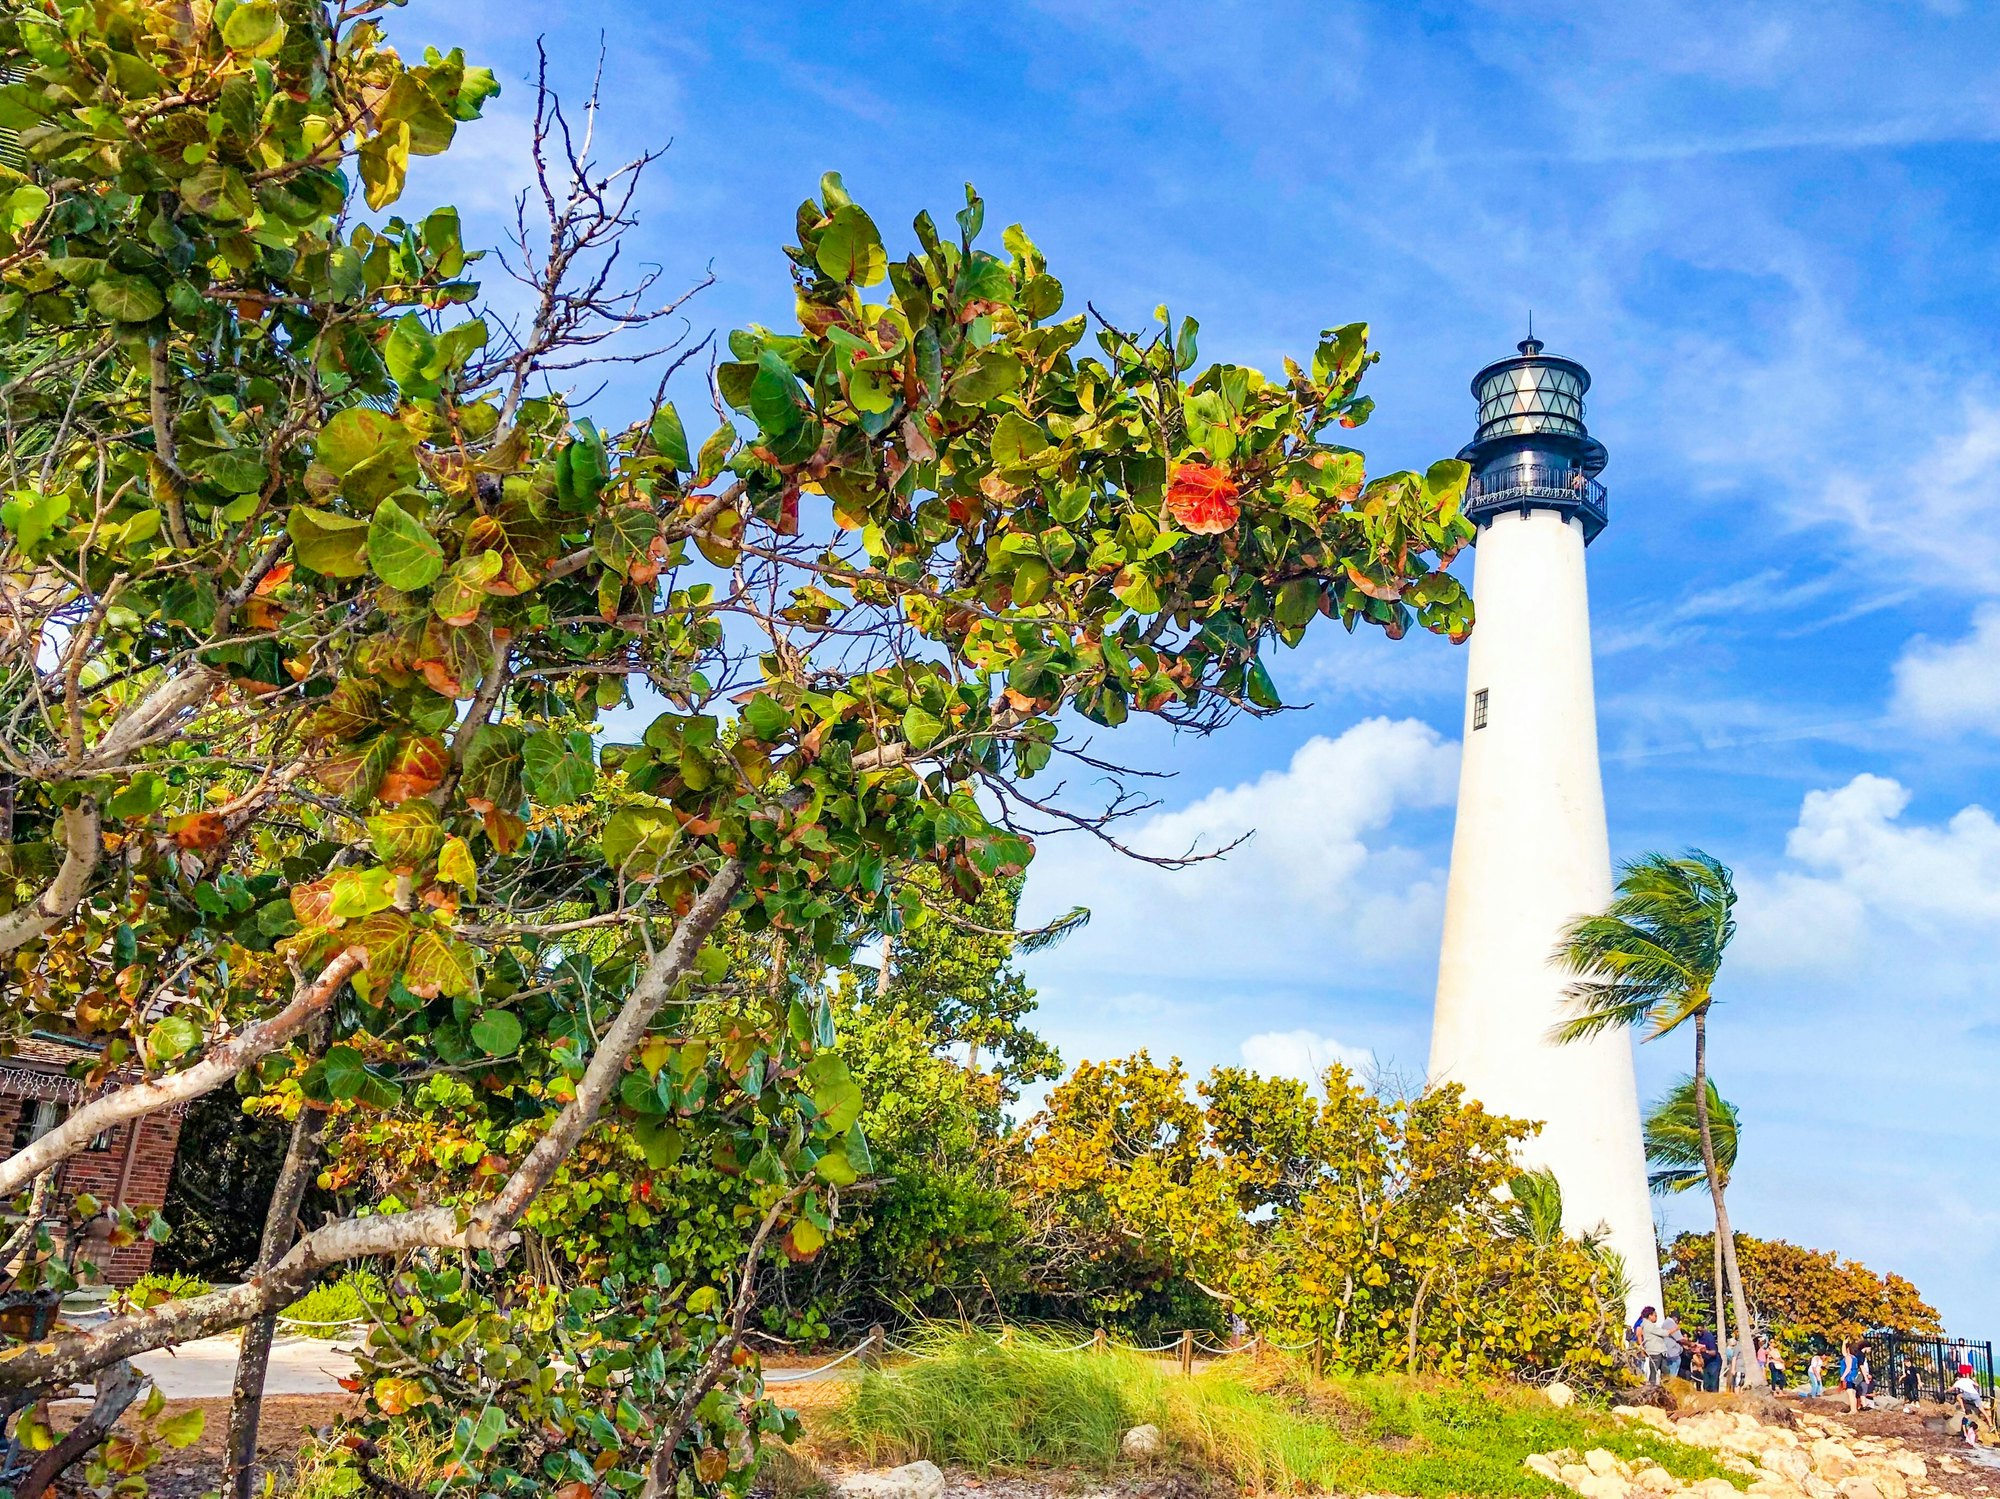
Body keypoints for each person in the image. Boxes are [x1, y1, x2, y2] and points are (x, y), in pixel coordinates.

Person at [1952, 1364, 1985, 1447]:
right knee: (1981, 1409)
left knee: (1959, 1396)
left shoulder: (1966, 1419)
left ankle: (1970, 1441)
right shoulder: (1968, 1380)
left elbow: (1965, 1426)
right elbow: (1977, 1385)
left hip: (1969, 1432)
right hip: (1976, 1395)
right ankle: (1990, 1423)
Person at [1661, 1312, 1684, 1381]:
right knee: (1672, 1377)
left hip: (1667, 1353)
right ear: (1675, 1318)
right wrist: (1691, 1344)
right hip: (1672, 1354)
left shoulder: (1665, 1323)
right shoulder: (1671, 1324)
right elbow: (1680, 1339)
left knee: (1668, 1375)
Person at [1699, 1328, 1723, 1393]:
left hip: (1714, 1362)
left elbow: (1714, 1352)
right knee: (1706, 1383)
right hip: (1706, 1362)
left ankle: (1714, 1397)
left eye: (1700, 1330)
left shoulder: (1709, 1337)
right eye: (1697, 1331)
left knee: (1713, 1383)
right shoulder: (1699, 1337)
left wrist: (1705, 1351)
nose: (1698, 1332)